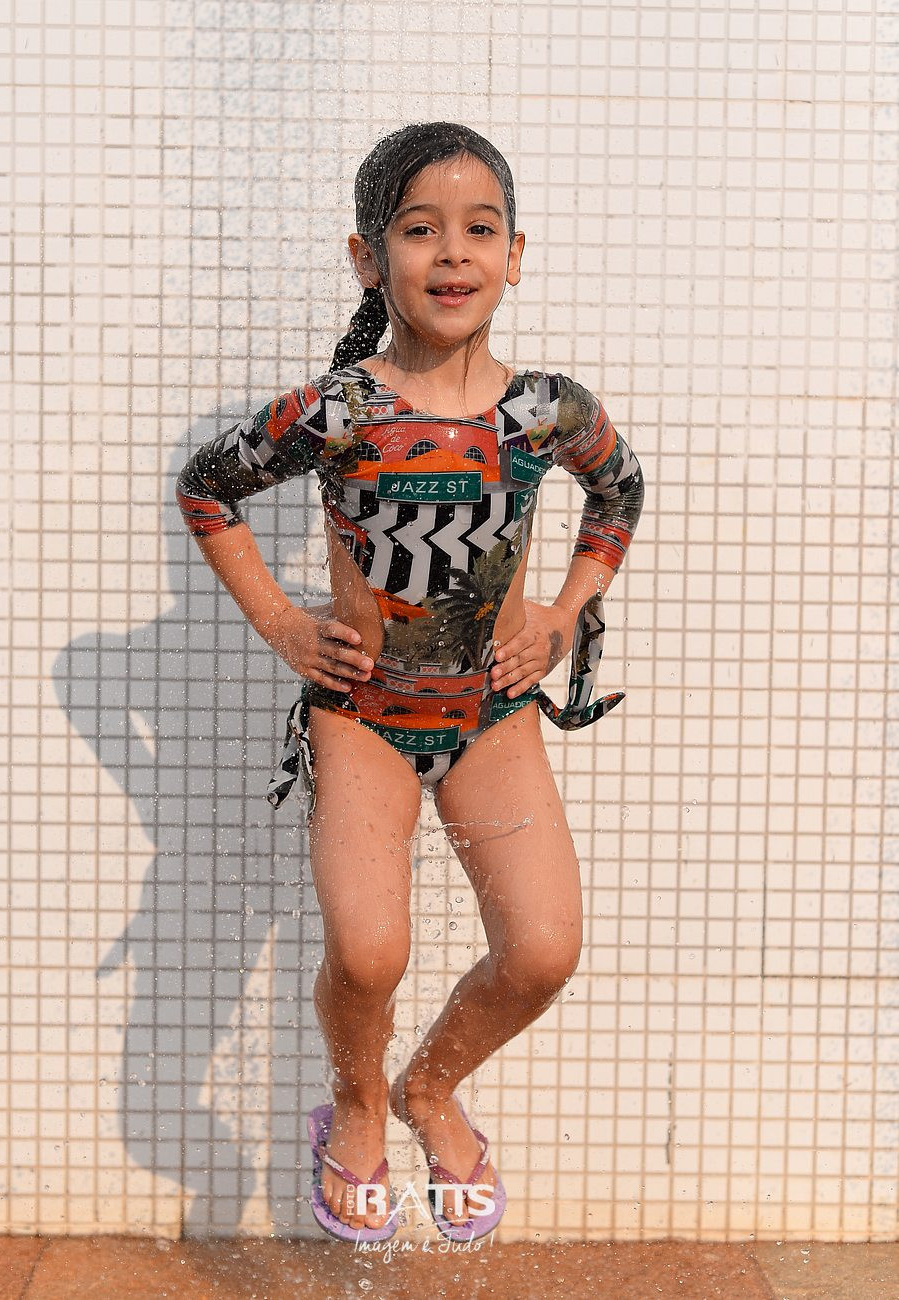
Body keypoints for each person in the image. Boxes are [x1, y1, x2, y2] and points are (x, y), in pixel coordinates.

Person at [175, 121, 644, 1243]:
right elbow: (206, 488)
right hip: (363, 718)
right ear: (366, 256)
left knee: (543, 948)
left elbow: (618, 490)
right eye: (420, 229)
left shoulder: (544, 410)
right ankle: (353, 1102)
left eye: (478, 229)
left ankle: (426, 1087)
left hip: (491, 716)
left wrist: (561, 612)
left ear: (514, 254)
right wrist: (282, 624)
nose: (451, 253)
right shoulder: (341, 411)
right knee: (369, 949)